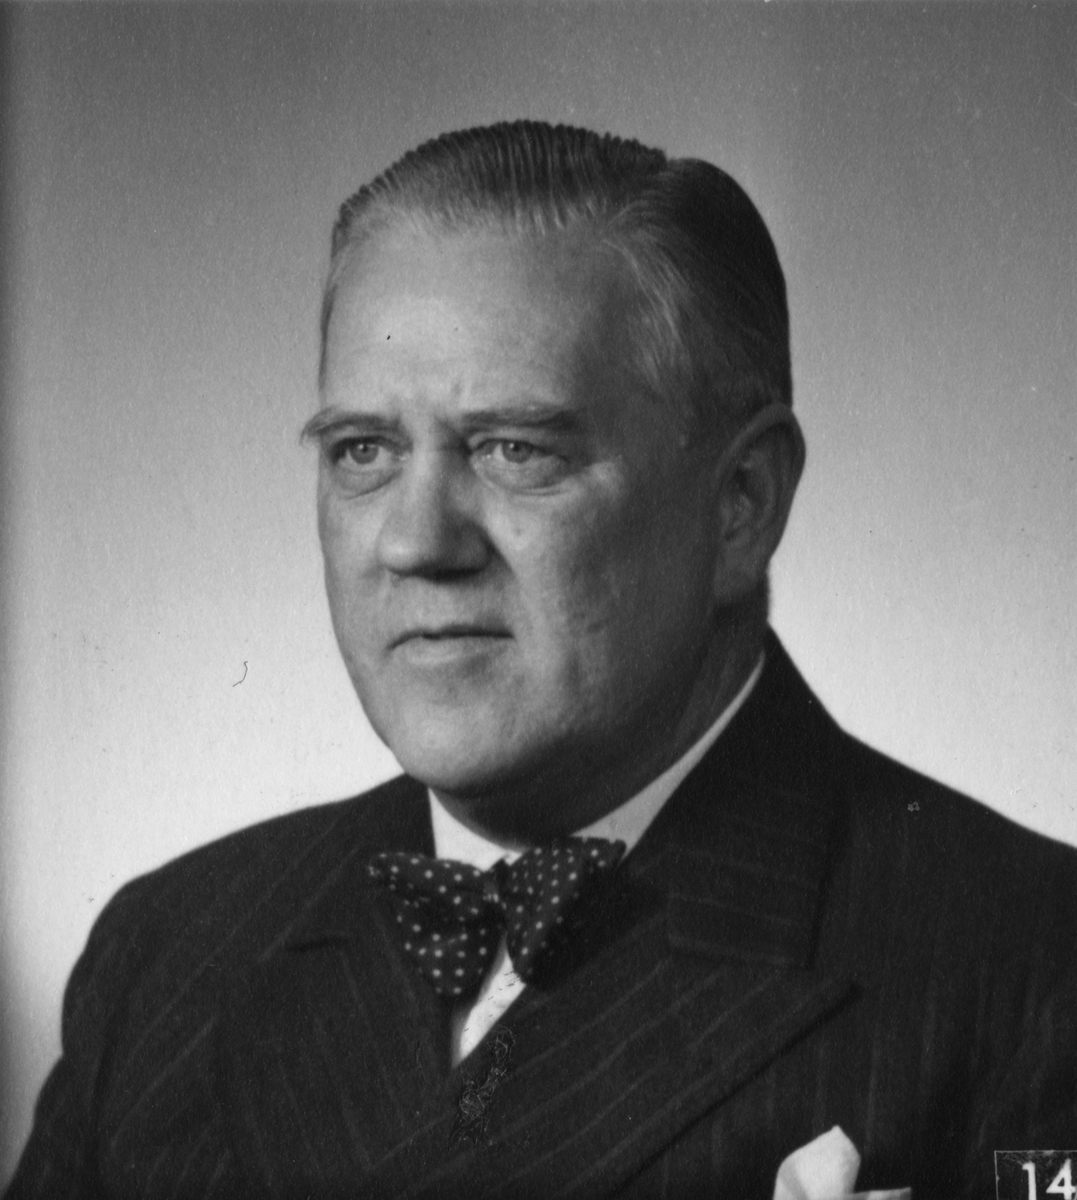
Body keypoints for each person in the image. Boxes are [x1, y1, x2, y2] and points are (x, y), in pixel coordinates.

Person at [7, 121, 1075, 1200]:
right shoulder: (170, 954)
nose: (417, 541)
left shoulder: (1033, 972)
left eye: (516, 450)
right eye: (363, 451)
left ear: (741, 505)